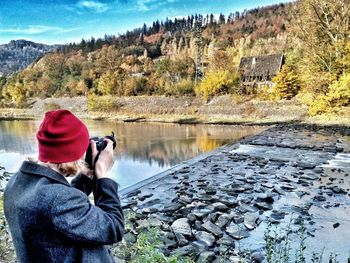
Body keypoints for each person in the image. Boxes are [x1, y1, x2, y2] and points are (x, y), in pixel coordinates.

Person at [3, 109, 124, 263]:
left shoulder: (18, 182)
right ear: (73, 152)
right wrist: (102, 175)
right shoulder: (59, 201)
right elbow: (114, 228)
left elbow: (62, 215)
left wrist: (87, 176)